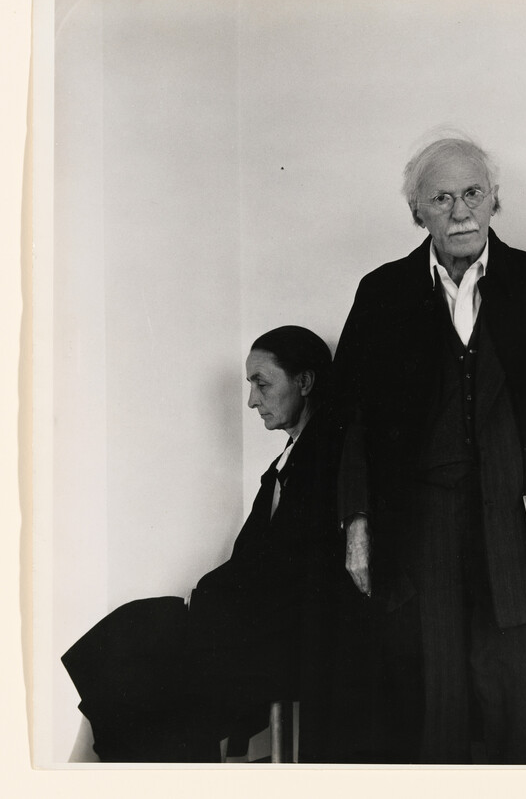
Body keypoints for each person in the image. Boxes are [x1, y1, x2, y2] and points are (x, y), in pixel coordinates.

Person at [334, 136, 526, 764]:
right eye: (440, 198)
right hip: (422, 537)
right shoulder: (381, 293)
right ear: (417, 212)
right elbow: (354, 423)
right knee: (431, 717)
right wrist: (357, 523)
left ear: (495, 200)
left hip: (524, 532)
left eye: (472, 193)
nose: (460, 210)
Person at [62, 326, 352, 763]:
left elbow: (292, 571)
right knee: (126, 640)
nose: (252, 400)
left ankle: (110, 772)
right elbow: (251, 561)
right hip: (241, 625)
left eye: (262, 383)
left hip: (277, 638)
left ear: (305, 382)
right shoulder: (283, 466)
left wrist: (212, 607)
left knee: (133, 646)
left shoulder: (329, 462)